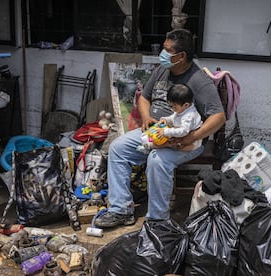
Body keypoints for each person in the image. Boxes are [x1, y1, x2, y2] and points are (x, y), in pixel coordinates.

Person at [94, 28, 226, 228]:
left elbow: (219, 117)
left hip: (185, 141)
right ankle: (121, 210)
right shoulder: (162, 70)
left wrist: (191, 137)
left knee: (157, 160)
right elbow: (145, 98)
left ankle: (157, 219)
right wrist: (147, 117)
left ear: (181, 56)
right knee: (118, 148)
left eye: (167, 50)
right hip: (155, 132)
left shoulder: (199, 81)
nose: (162, 55)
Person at [137, 83, 202, 153]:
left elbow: (183, 131)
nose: (172, 109)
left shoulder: (189, 116)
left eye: (174, 107)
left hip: (191, 142)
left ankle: (150, 146)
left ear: (186, 105)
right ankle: (149, 143)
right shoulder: (183, 109)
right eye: (170, 106)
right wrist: (165, 120)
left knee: (171, 143)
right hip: (180, 133)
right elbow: (174, 117)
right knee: (165, 135)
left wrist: (165, 132)